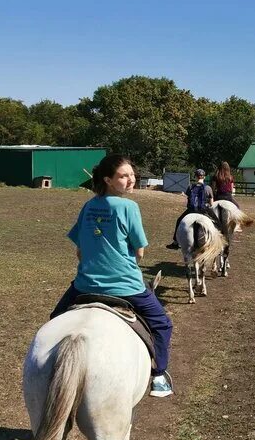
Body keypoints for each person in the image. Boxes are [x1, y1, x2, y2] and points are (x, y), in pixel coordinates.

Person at [50, 154, 174, 398]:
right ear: (108, 179)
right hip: (126, 287)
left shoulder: (88, 205)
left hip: (85, 285)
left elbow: (79, 249)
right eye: (123, 176)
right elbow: (139, 251)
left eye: (131, 174)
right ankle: (159, 374)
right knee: (162, 323)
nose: (130, 179)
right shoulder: (129, 207)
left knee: (55, 319)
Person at [165, 168, 217, 249]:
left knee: (179, 220)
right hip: (203, 210)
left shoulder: (190, 186)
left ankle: (175, 242)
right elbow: (211, 203)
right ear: (204, 177)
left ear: (196, 177)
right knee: (216, 221)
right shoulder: (208, 188)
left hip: (191, 210)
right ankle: (218, 238)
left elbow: (189, 199)